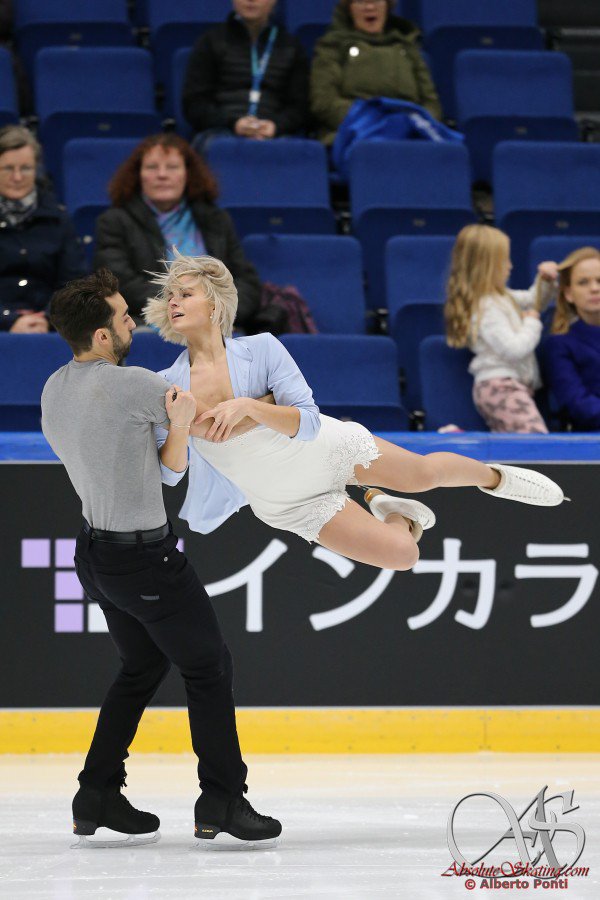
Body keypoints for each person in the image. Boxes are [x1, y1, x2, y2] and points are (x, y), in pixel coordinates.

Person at [41, 268, 281, 849]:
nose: (132, 323)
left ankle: (96, 791)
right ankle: (222, 796)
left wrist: (170, 431)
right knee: (208, 667)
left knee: (143, 666)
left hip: (94, 555)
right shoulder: (135, 386)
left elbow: (137, 458)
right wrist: (269, 403)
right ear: (101, 337)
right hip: (144, 559)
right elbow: (199, 443)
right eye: (123, 318)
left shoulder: (54, 387)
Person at [143, 253, 566, 572]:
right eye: (170, 296)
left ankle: (497, 478)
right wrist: (180, 426)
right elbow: (170, 472)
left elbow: (307, 421)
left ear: (215, 305)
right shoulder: (167, 384)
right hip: (286, 499)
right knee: (403, 555)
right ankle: (389, 509)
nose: (173, 302)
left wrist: (249, 407)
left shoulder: (263, 348)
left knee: (423, 475)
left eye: (186, 293)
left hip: (324, 449)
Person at [93, 133, 263, 330]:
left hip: (217, 322)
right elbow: (121, 285)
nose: (162, 174)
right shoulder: (114, 221)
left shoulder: (216, 219)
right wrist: (189, 306)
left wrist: (222, 310)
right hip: (149, 325)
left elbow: (245, 280)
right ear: (138, 175)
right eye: (152, 167)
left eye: (172, 167)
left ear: (187, 174)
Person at [444, 224, 558, 434]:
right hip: (500, 387)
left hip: (508, 386)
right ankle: (459, 439)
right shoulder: (486, 306)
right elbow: (513, 349)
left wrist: (545, 280)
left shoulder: (501, 297)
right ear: (487, 265)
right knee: (536, 441)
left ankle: (460, 437)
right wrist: (532, 321)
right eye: (504, 260)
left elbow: (534, 300)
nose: (510, 266)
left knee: (512, 451)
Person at [310, 0, 442, 146]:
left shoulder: (407, 47)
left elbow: (431, 103)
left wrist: (411, 123)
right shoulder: (332, 46)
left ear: (387, 6)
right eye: (361, 2)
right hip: (353, 136)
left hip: (409, 133)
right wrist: (375, 122)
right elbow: (324, 102)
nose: (370, 7)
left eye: (376, 1)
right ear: (349, 8)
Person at [182, 0, 309, 148]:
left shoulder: (291, 46)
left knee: (296, 152)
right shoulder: (211, 41)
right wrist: (234, 123)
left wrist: (276, 126)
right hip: (221, 130)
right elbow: (195, 103)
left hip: (274, 132)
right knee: (217, 146)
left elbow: (300, 106)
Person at [0, 125, 86, 333]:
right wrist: (9, 321)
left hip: (51, 330)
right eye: (8, 168)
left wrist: (48, 318)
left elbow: (73, 283)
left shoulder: (58, 218)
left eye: (26, 168)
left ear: (36, 169)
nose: (18, 177)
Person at [544, 246, 600, 431]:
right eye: (583, 282)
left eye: (599, 281)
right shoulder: (559, 344)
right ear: (568, 293)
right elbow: (577, 404)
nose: (594, 288)